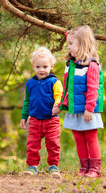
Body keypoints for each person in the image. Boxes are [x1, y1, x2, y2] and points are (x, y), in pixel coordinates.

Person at [52, 25, 104, 178]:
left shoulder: (92, 65)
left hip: (88, 110)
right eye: (68, 43)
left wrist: (89, 108)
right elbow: (67, 89)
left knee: (90, 138)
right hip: (74, 109)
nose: (68, 47)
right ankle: (84, 167)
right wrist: (60, 106)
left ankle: (95, 169)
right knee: (79, 139)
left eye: (71, 44)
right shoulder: (70, 65)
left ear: (82, 44)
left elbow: (93, 89)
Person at [21, 46, 63, 177]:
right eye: (38, 67)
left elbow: (59, 96)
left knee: (53, 144)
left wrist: (57, 105)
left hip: (51, 120)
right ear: (33, 67)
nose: (41, 70)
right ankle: (32, 166)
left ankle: (53, 166)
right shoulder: (30, 84)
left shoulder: (54, 81)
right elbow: (27, 101)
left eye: (45, 67)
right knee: (32, 144)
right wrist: (24, 116)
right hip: (34, 120)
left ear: (51, 66)